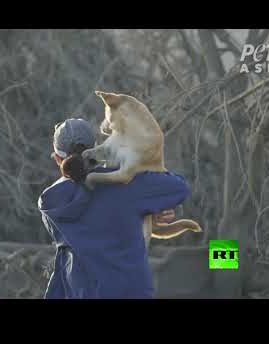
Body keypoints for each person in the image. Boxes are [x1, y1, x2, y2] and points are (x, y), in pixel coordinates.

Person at [38, 118, 190, 299]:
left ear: (57, 159)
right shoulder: (127, 184)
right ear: (96, 149)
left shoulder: (49, 202)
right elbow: (179, 188)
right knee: (228, 257)